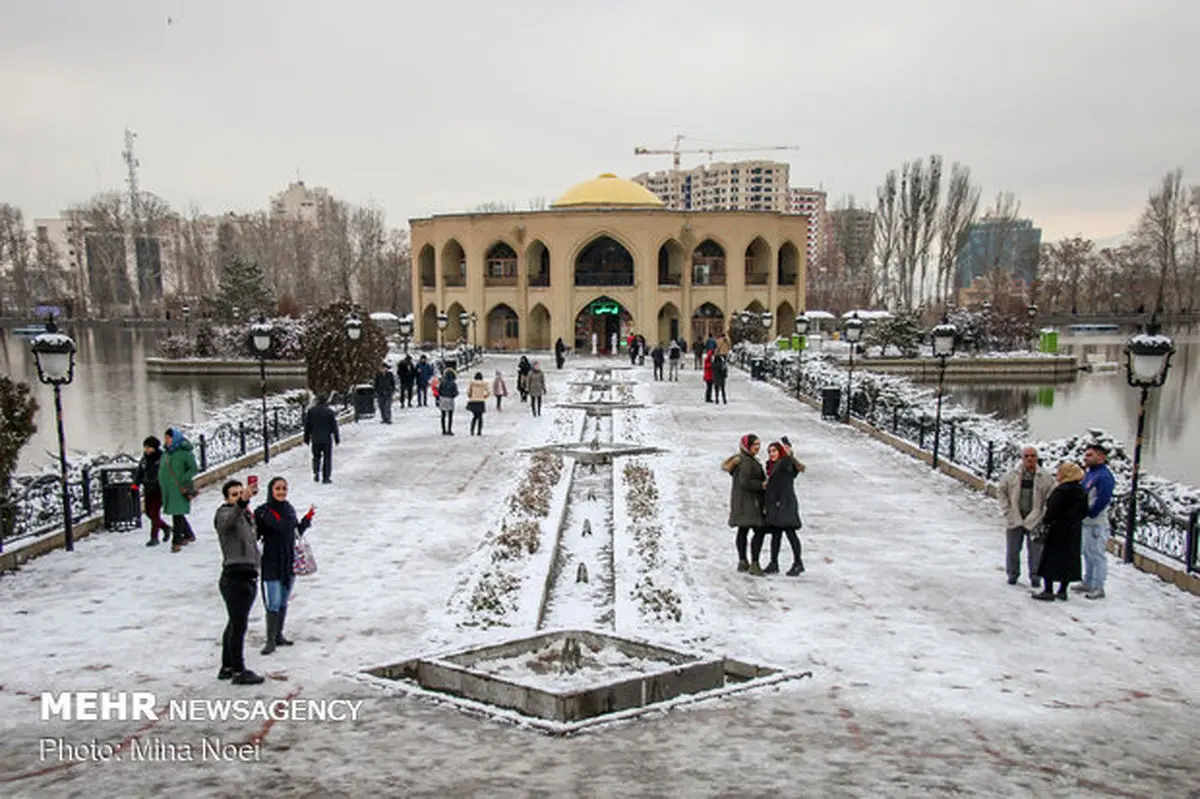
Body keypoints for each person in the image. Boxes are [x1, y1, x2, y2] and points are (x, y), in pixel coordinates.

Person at [214, 478, 265, 684]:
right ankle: (238, 669)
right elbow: (229, 521)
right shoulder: (224, 514)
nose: (237, 498)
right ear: (227, 498)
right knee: (239, 625)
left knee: (234, 622)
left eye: (239, 493)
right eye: (233, 495)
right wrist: (242, 502)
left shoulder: (245, 516)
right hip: (235, 576)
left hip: (248, 573)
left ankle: (227, 666)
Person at [254, 477, 314, 654]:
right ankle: (270, 639)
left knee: (283, 600)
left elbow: (295, 532)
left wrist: (307, 520)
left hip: (288, 561)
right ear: (271, 491)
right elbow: (255, 535)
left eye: (284, 488)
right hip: (272, 560)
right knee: (273, 601)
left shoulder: (289, 509)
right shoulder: (262, 512)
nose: (281, 492)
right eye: (278, 488)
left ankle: (278, 634)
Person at [998, 446, 1056, 587]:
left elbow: (1051, 497)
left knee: (1036, 551)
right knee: (1013, 549)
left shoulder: (1046, 478)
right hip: (1015, 518)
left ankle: (1035, 577)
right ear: (1022, 458)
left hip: (1036, 520)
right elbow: (1001, 493)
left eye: (1033, 456)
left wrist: (1043, 514)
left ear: (1037, 458)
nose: (1030, 459)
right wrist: (1007, 511)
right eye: (1027, 456)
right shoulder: (1011, 475)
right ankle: (1012, 574)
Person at [1032, 462, 1089, 601]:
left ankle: (1048, 590)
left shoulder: (1061, 491)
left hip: (1057, 529)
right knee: (1068, 559)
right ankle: (1063, 590)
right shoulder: (1081, 491)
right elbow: (1085, 511)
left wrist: (1046, 521)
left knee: (1050, 558)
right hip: (1074, 530)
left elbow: (1052, 510)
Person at [754, 439, 807, 576]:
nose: (771, 454)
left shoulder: (784, 464)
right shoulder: (772, 466)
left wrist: (789, 454)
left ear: (780, 452)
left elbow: (789, 467)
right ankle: (774, 563)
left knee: (790, 533)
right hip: (775, 505)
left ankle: (798, 562)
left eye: (774, 451)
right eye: (769, 451)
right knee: (776, 534)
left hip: (785, 504)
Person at [722, 434, 766, 574]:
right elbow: (744, 482)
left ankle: (742, 561)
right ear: (747, 446)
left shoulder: (742, 460)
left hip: (741, 502)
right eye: (755, 445)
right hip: (750, 502)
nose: (758, 447)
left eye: (759, 444)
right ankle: (754, 563)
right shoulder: (747, 462)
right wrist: (762, 485)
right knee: (759, 531)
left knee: (743, 530)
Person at [1079, 444, 1115, 599]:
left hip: (1096, 523)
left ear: (1101, 458)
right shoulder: (1091, 474)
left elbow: (1102, 499)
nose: (1086, 458)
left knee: (1096, 554)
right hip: (1086, 521)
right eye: (1086, 455)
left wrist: (1090, 513)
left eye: (1090, 455)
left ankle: (1099, 586)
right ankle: (1088, 581)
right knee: (1087, 553)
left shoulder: (1104, 477)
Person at [158, 427, 199, 553]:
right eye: (166, 438)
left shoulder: (184, 454)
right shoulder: (166, 453)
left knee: (177, 514)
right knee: (177, 512)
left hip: (180, 487)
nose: (167, 440)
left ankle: (177, 541)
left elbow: (193, 469)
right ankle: (188, 534)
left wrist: (183, 478)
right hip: (169, 488)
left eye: (169, 438)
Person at [132, 435, 171, 547]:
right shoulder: (144, 459)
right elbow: (139, 473)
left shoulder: (162, 458)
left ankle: (154, 537)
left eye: (149, 447)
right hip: (148, 489)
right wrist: (135, 486)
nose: (147, 450)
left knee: (154, 513)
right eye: (145, 447)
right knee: (149, 512)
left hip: (160, 489)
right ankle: (165, 527)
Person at [303, 394, 340, 484]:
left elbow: (307, 426)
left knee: (316, 457)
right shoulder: (329, 412)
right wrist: (336, 438)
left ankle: (316, 472)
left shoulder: (311, 411)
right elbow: (334, 426)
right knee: (327, 458)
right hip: (326, 439)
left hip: (315, 438)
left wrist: (306, 438)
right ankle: (326, 477)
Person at [466, 371, 491, 436]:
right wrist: (484, 396)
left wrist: (470, 396)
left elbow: (468, 392)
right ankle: (479, 431)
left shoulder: (472, 383)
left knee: (474, 416)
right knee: (480, 417)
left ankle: (472, 430)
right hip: (481, 401)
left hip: (473, 401)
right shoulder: (484, 384)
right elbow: (489, 392)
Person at [438, 368, 459, 435]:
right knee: (450, 416)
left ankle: (443, 430)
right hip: (450, 399)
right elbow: (456, 392)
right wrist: (452, 395)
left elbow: (439, 390)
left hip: (443, 399)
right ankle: (449, 430)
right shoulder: (453, 383)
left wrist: (441, 395)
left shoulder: (442, 382)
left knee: (443, 415)